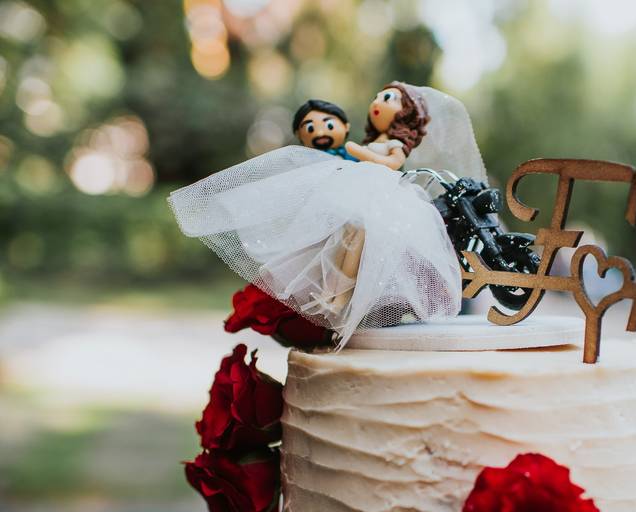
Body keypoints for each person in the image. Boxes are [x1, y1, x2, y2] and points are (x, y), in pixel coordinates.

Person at [169, 83, 487, 346]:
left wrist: (357, 153)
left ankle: (349, 297)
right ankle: (336, 294)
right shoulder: (358, 146)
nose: (377, 101)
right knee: (345, 236)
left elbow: (391, 165)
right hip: (359, 195)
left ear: (405, 111)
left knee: (370, 239)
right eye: (377, 96)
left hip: (384, 197)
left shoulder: (391, 144)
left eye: (388, 98)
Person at [292, 99, 357, 161]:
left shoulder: (351, 154)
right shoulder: (303, 159)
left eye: (330, 126)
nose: (320, 133)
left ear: (346, 127)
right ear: (298, 134)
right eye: (310, 129)